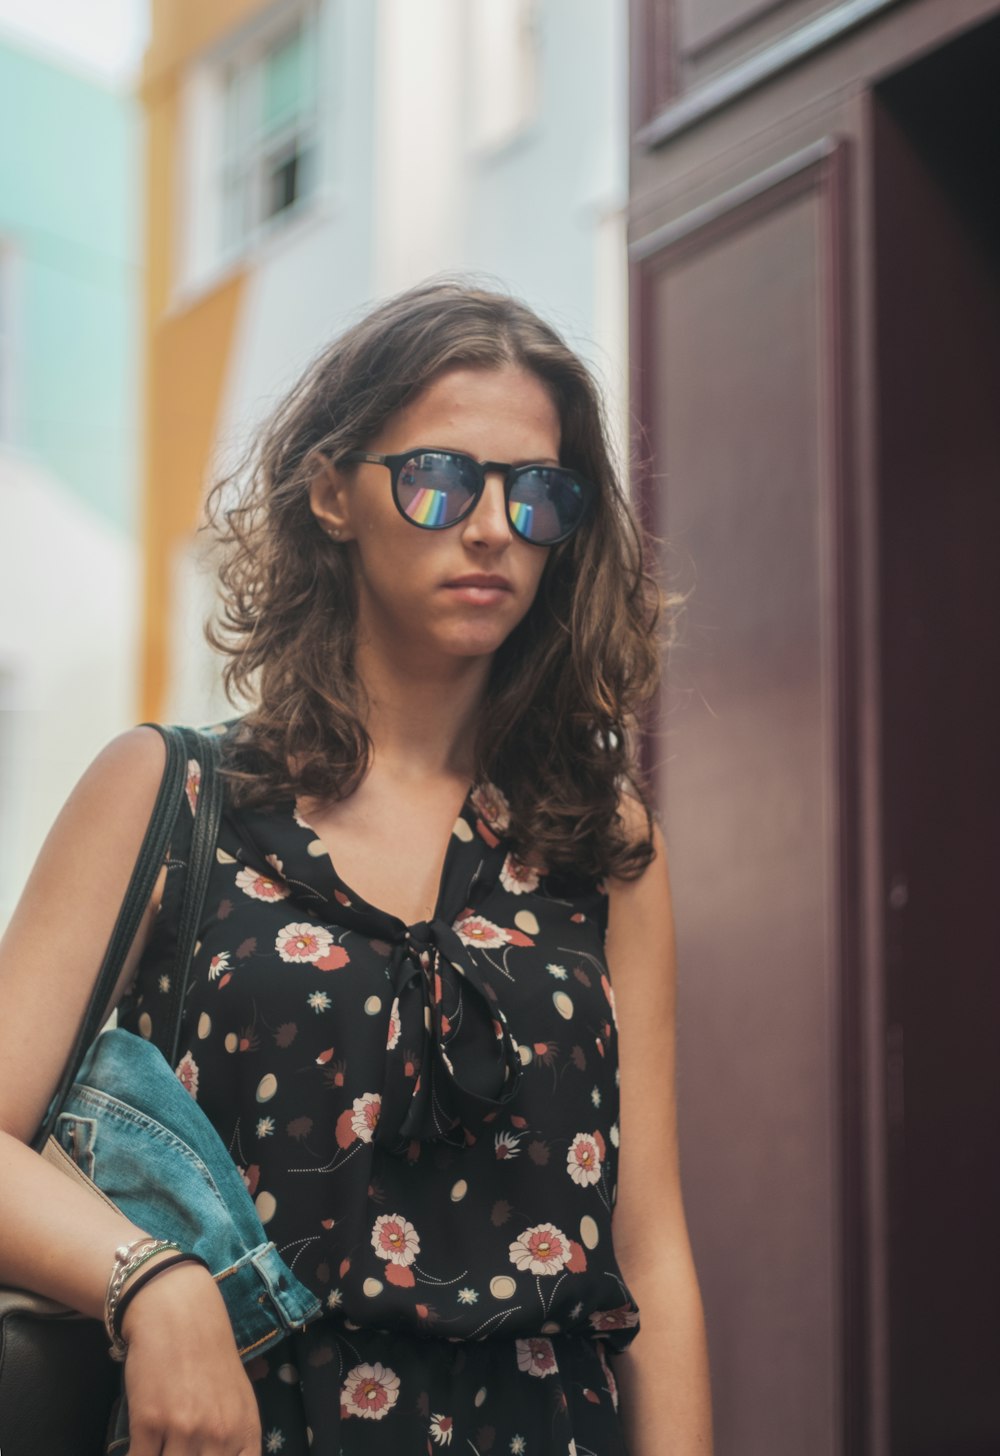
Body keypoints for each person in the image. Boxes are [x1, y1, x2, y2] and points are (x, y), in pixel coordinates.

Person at [0, 278, 713, 1454]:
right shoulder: (172, 795)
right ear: (332, 492)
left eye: (536, 492)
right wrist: (152, 1277)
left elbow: (651, 1254)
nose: (491, 526)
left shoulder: (603, 844)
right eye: (440, 477)